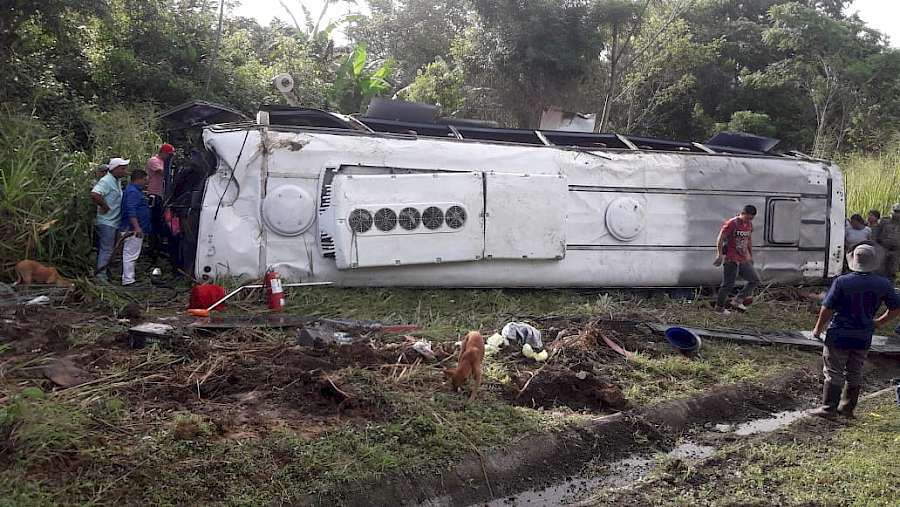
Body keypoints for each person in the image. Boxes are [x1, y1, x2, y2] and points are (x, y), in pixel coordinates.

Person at [811, 244, 900, 418]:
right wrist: (879, 322)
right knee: (855, 371)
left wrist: (817, 329)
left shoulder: (842, 281)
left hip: (839, 334)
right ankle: (847, 409)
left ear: (854, 260)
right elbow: (896, 308)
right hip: (863, 335)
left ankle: (828, 409)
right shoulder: (883, 283)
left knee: (833, 371)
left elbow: (827, 308)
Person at [713, 205, 760, 314]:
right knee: (728, 284)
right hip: (731, 258)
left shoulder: (749, 224)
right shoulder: (732, 223)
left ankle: (737, 300)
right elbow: (720, 238)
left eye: (751, 218)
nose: (749, 220)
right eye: (748, 218)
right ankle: (719, 308)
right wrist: (719, 254)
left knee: (754, 280)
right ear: (743, 213)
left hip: (743, 258)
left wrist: (750, 256)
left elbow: (748, 240)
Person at [90, 158, 129, 283]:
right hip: (107, 221)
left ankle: (105, 273)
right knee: (106, 249)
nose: (125, 171)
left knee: (110, 249)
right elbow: (95, 194)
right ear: (115, 169)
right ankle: (101, 278)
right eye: (122, 168)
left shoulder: (116, 181)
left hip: (113, 221)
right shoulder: (106, 181)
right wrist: (104, 206)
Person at [119, 169, 152, 286]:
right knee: (130, 254)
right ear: (139, 179)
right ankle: (128, 280)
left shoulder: (134, 191)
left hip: (133, 228)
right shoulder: (133, 192)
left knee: (132, 253)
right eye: (145, 180)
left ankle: (129, 277)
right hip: (131, 229)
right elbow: (131, 210)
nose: (146, 183)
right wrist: (136, 227)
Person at [145, 143, 175, 262]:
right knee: (155, 222)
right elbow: (162, 172)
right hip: (155, 195)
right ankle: (152, 249)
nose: (169, 157)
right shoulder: (154, 161)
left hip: (164, 196)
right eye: (169, 155)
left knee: (163, 222)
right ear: (163, 152)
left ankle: (160, 247)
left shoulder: (166, 163)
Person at [873, 203, 900, 281]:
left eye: (899, 212)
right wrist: (876, 245)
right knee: (880, 269)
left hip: (896, 251)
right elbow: (875, 233)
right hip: (883, 248)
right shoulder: (884, 221)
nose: (897, 214)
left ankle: (890, 285)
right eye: (896, 211)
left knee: (893, 270)